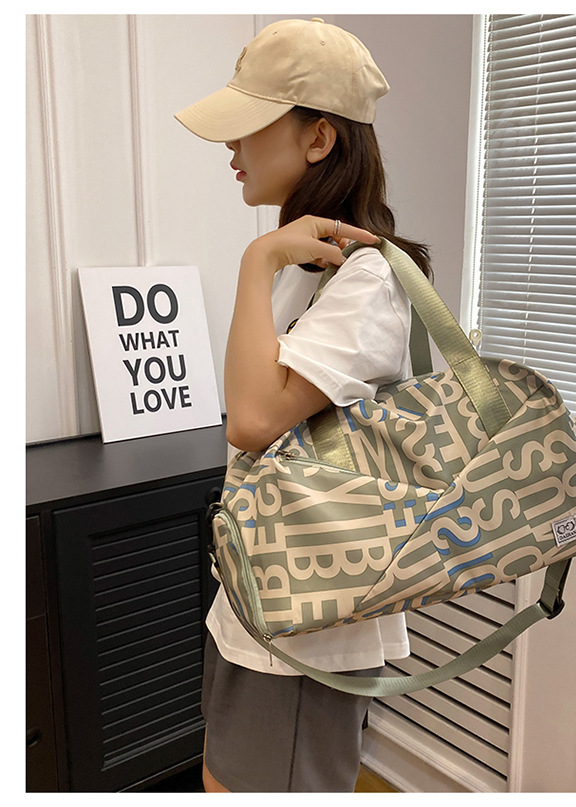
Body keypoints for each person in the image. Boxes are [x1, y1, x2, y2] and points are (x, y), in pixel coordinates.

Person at [175, 18, 432, 792]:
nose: (232, 146)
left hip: (307, 619)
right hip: (264, 594)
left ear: (319, 138)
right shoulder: (306, 266)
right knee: (224, 778)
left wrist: (255, 261)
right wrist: (269, 262)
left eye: (250, 124)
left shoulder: (367, 278)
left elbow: (251, 421)